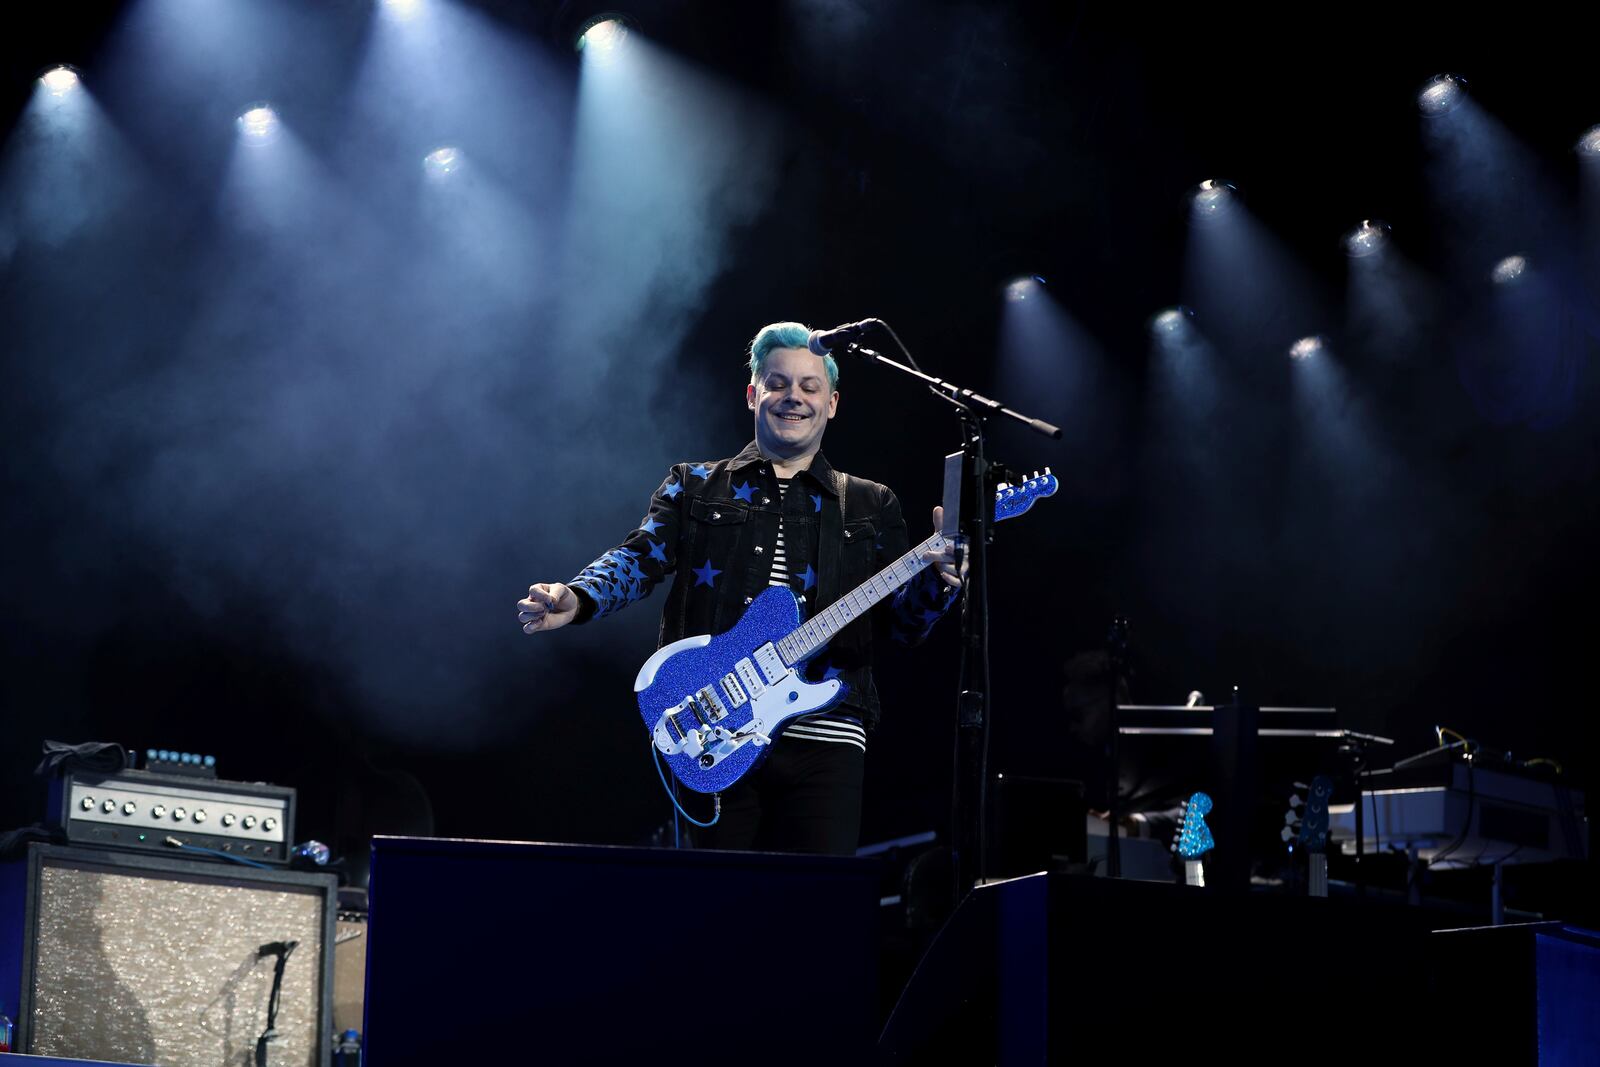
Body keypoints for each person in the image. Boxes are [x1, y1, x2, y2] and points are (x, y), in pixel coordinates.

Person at [517, 321, 962, 855]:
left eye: (808, 386)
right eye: (777, 383)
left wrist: (939, 585)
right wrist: (581, 596)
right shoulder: (695, 484)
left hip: (827, 735)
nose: (792, 397)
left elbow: (901, 624)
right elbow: (639, 558)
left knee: (812, 910)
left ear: (833, 402)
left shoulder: (871, 504)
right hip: (713, 725)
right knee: (714, 909)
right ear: (753, 393)